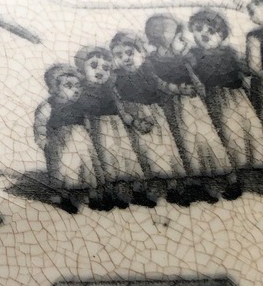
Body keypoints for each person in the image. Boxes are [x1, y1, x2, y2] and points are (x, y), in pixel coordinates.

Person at [144, 13, 230, 204]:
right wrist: (177, 89)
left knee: (201, 140)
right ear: (165, 40)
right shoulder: (151, 62)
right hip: (171, 108)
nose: (185, 41)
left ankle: (216, 180)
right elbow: (157, 83)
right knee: (181, 145)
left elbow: (195, 78)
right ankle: (190, 184)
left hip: (192, 105)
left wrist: (199, 89)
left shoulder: (185, 58)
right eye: (179, 38)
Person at [75, 45, 157, 208]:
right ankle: (113, 195)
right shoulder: (80, 92)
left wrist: (133, 121)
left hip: (118, 129)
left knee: (128, 159)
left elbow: (121, 109)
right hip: (97, 131)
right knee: (107, 163)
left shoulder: (110, 89)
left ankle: (137, 192)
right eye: (94, 65)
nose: (100, 70)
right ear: (81, 68)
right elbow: (80, 115)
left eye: (106, 68)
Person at [110, 30, 185, 201]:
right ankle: (152, 184)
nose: (125, 58)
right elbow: (118, 103)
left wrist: (180, 89)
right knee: (144, 151)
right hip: (136, 118)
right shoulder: (116, 79)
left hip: (155, 113)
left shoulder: (147, 70)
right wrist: (130, 120)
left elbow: (162, 85)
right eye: (119, 55)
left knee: (164, 146)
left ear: (142, 53)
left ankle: (172, 184)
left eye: (130, 52)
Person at [189, 8, 259, 188]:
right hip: (214, 98)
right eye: (199, 29)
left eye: (211, 31)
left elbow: (246, 69)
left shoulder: (230, 52)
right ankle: (233, 176)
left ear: (222, 35)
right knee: (225, 134)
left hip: (237, 97)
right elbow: (193, 78)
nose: (204, 35)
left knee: (246, 131)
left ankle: (252, 170)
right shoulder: (193, 55)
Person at [33, 65, 95, 213]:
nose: (76, 90)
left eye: (78, 86)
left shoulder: (79, 106)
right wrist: (43, 141)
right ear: (54, 89)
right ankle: (63, 196)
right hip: (60, 143)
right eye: (68, 86)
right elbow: (40, 125)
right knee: (62, 170)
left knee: (85, 166)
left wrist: (89, 134)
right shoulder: (48, 106)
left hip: (81, 142)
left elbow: (86, 122)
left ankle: (87, 193)